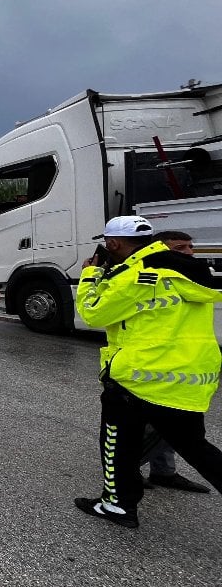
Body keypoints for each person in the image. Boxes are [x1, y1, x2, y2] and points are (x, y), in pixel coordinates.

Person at [73, 216, 222, 528]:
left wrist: (89, 274)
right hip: (187, 376)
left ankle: (118, 504)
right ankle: (136, 491)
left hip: (139, 377)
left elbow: (93, 312)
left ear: (112, 243)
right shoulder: (189, 270)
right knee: (197, 449)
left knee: (118, 444)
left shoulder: (137, 275)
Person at [137, 230, 211, 493]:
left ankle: (163, 472)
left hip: (187, 368)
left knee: (170, 430)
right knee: (153, 428)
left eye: (191, 246)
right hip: (153, 369)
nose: (190, 253)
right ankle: (125, 473)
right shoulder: (147, 280)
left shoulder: (196, 277)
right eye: (180, 248)